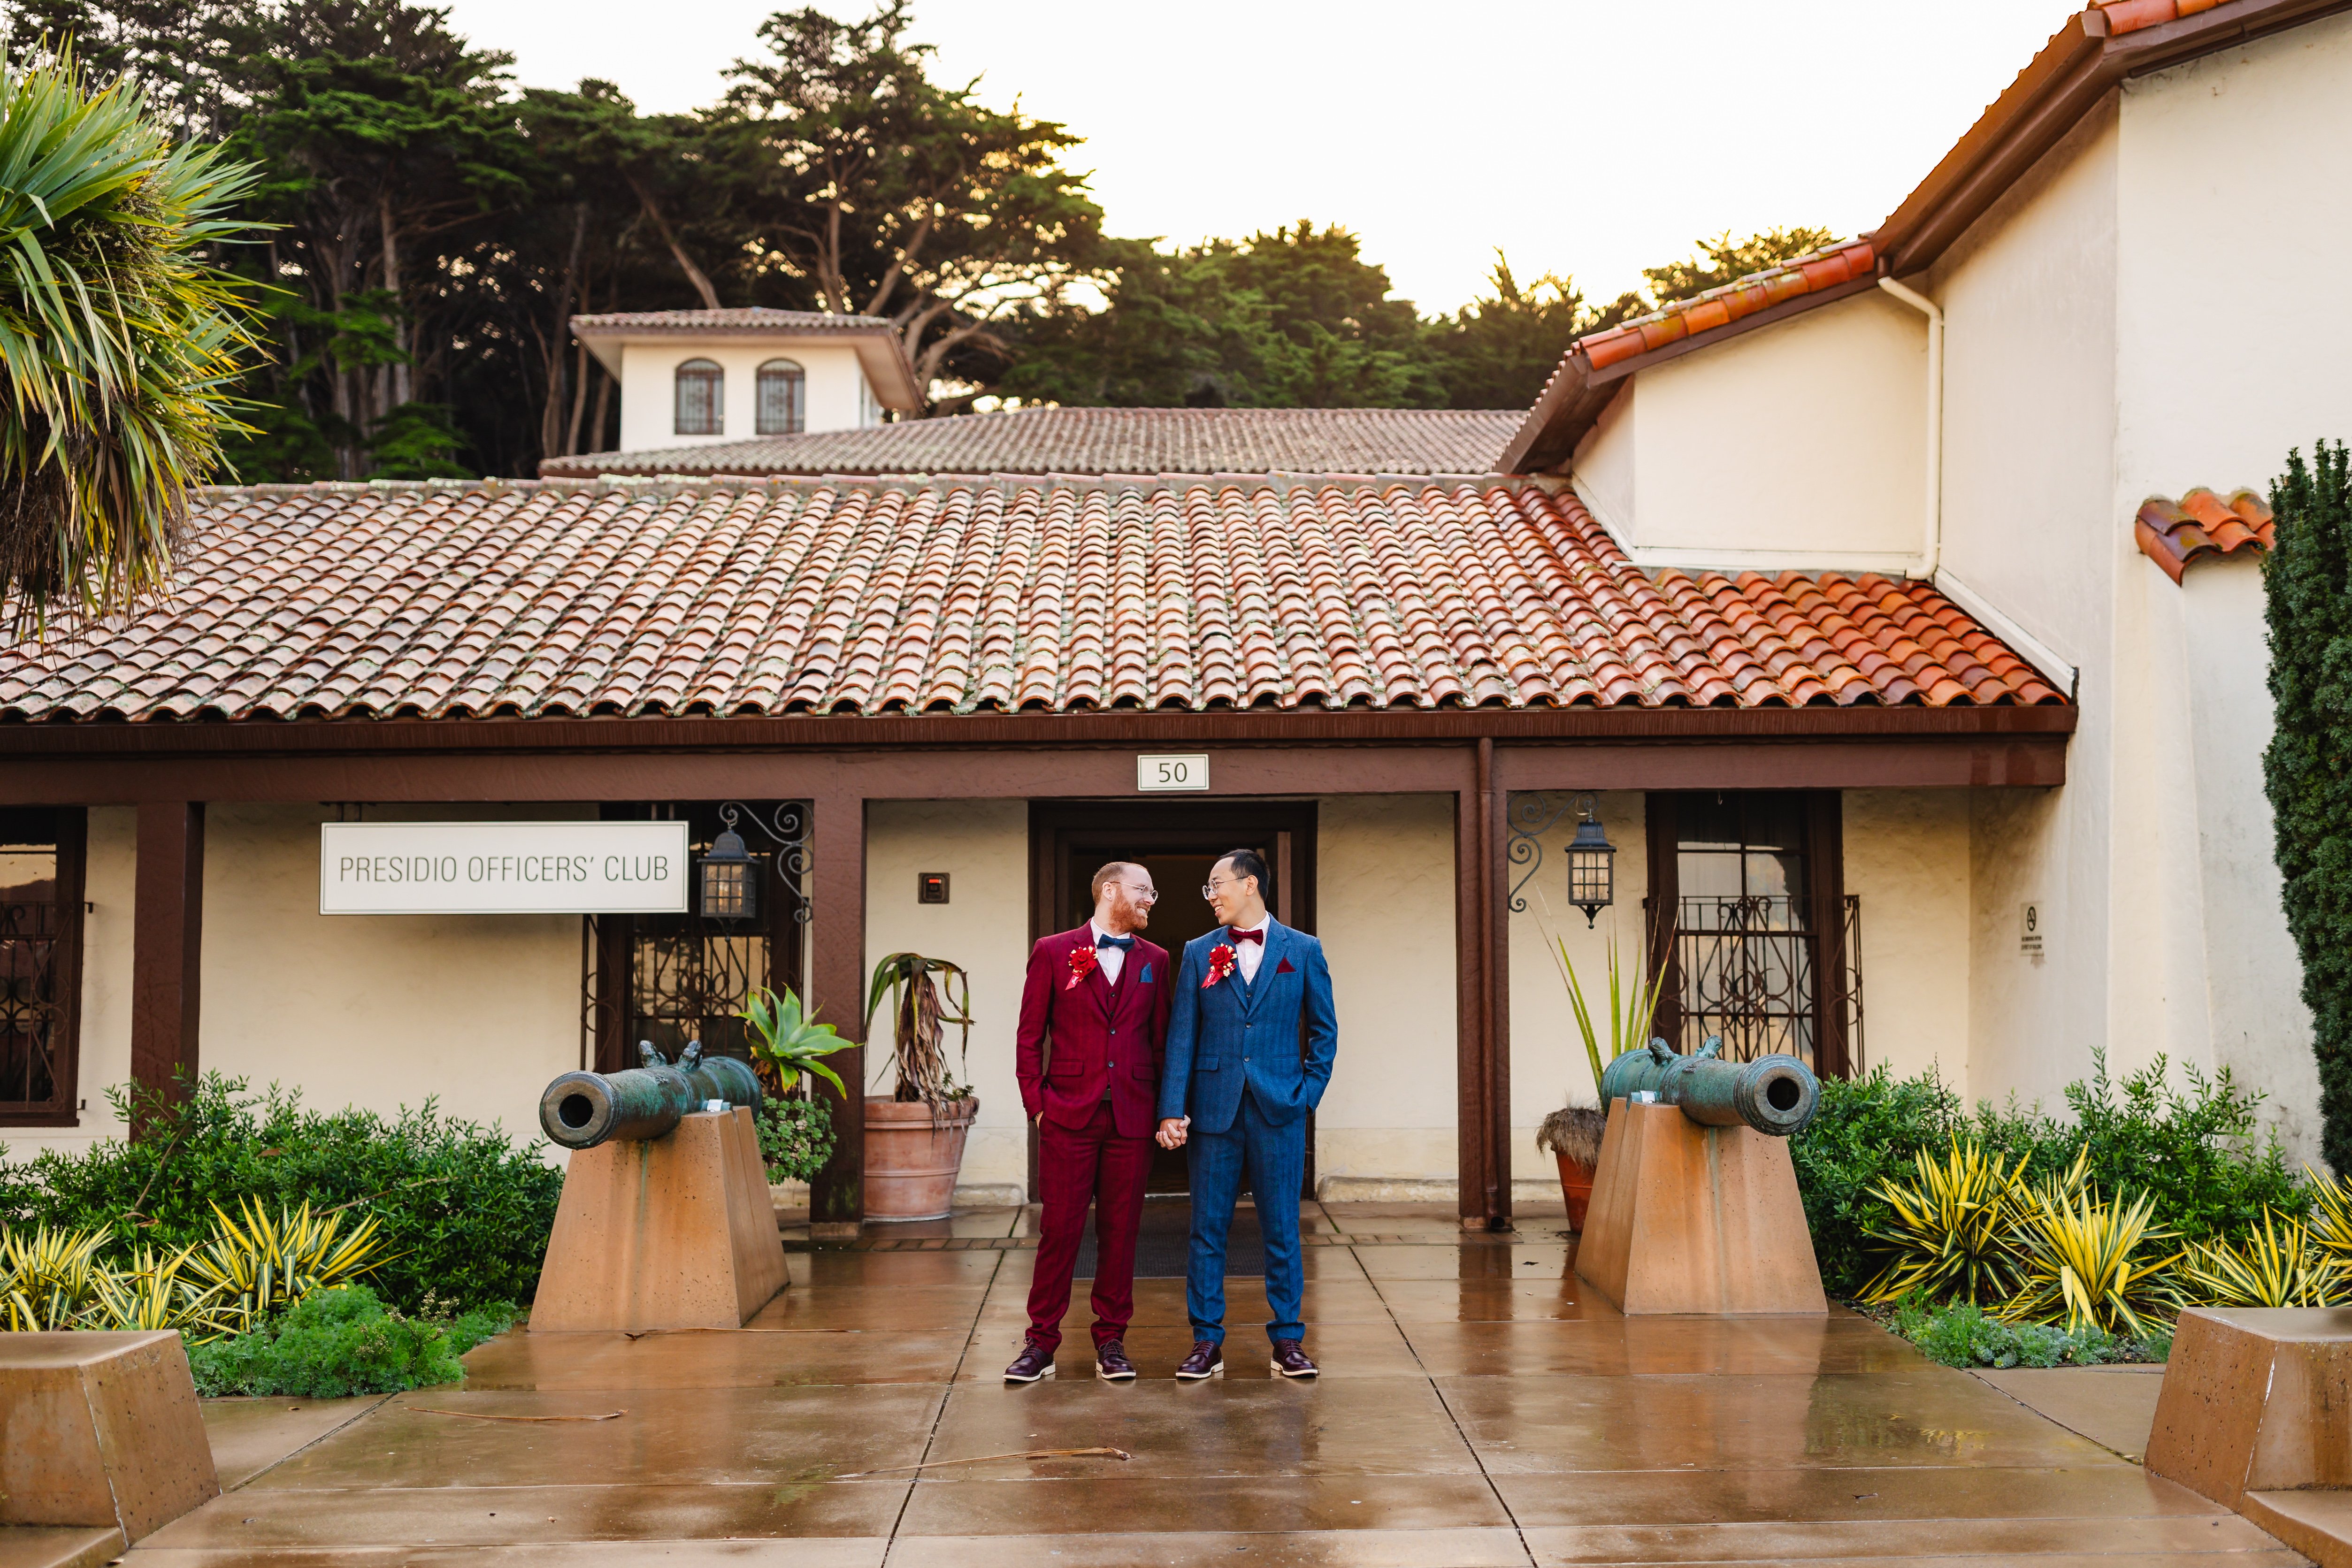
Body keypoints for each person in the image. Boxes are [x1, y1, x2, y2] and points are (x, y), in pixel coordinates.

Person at [1156, 848, 1337, 1379]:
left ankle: (1287, 1340)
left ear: (1250, 884)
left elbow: (1324, 1032)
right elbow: (1181, 1035)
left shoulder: (1302, 949)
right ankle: (1206, 1341)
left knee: (1281, 1228)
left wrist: (1307, 1095)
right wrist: (1172, 1108)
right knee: (1207, 1229)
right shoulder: (1197, 951)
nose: (1210, 896)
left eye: (1216, 885)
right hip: (1214, 1109)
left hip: (1280, 1107)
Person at [1006, 861, 1173, 1383]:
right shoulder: (1053, 950)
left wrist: (1166, 1108)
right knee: (1060, 1230)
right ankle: (1040, 1342)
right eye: (1144, 889)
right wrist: (1037, 1104)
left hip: (1132, 1115)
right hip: (1067, 1114)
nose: (1152, 898)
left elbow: (1163, 1041)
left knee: (1121, 1233)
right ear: (1109, 889)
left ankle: (1111, 1339)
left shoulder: (1157, 960)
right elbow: (1029, 1035)